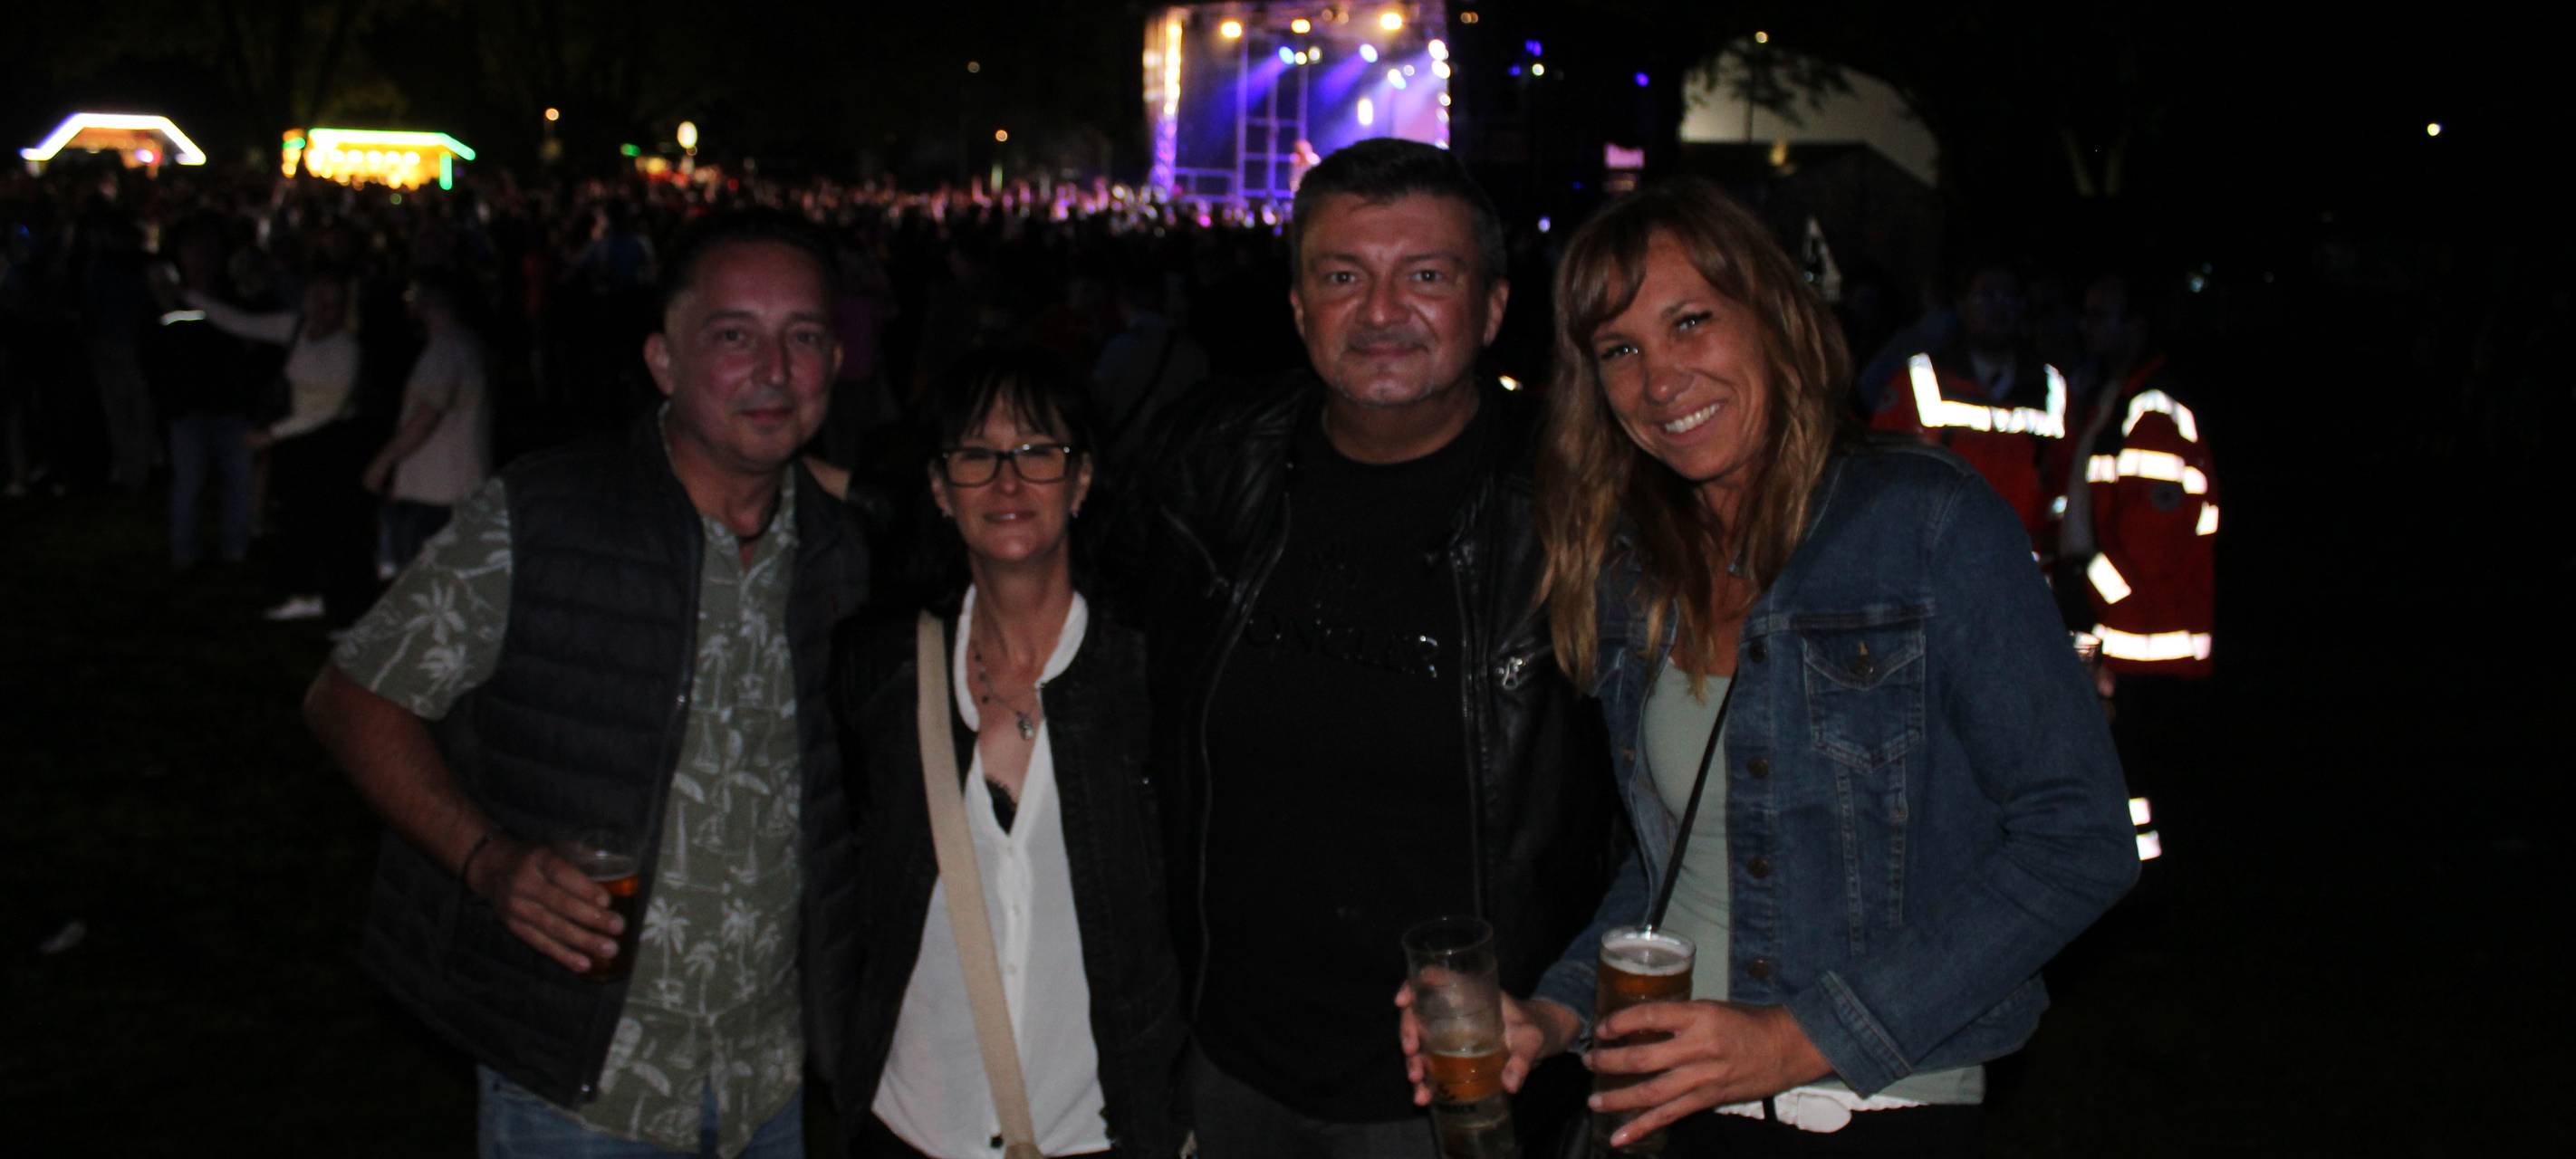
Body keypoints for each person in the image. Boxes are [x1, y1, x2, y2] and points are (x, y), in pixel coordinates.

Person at [1430, 178, 2135, 1154]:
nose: (1659, 379)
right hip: (1673, 1111)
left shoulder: (1924, 523)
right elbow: (1680, 862)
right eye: (1620, 350)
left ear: (1774, 317)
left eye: (1690, 322)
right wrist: (1553, 1015)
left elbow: (2081, 836)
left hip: (1876, 1105)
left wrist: (1798, 1037)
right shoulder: (1640, 569)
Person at [305, 208, 870, 1158]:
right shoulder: (550, 514)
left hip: (763, 1084)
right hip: (580, 1093)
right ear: (664, 360)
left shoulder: (838, 549)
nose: (774, 370)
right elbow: (352, 695)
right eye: (735, 336)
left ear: (835, 361)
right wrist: (486, 858)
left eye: (803, 336)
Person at [1117, 138, 1616, 1156]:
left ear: (1491, 307)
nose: (1382, 313)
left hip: (1463, 1096)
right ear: (1299, 307)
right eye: (1344, 276)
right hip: (1227, 1069)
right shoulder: (1209, 465)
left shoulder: (1578, 512)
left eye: (1425, 276)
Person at [833, 348, 1187, 1159]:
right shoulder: (879, 671)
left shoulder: (1152, 674)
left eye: (1037, 451)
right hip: (911, 1127)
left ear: (1082, 479)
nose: (1006, 480)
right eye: (975, 455)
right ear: (938, 489)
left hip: (1097, 1133)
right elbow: (837, 895)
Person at [186, 267, 366, 621]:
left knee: (333, 524)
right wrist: (190, 296)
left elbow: (327, 410)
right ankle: (304, 590)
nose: (323, 309)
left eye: (333, 303)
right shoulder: (295, 328)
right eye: (316, 299)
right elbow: (240, 322)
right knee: (296, 517)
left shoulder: (345, 348)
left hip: (331, 440)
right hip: (297, 439)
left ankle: (337, 600)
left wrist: (272, 434)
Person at [1867, 262, 2069, 552]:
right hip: (1938, 565)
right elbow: (1881, 476)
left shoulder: (2051, 386)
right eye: (1986, 296)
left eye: (2009, 296)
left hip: (2022, 567)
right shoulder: (1919, 379)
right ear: (1961, 305)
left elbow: (2064, 481)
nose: (1999, 307)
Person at [361, 273, 492, 570]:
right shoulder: (467, 344)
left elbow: (425, 418)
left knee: (425, 577)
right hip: (454, 483)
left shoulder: (445, 351)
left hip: (437, 490)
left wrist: (383, 463)